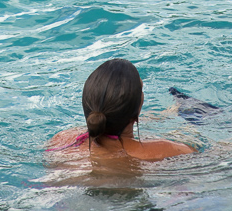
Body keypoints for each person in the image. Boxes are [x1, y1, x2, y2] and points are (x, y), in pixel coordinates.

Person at [45, 59, 196, 163]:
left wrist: (164, 115)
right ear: (137, 108)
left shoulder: (63, 139)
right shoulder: (167, 150)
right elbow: (218, 158)